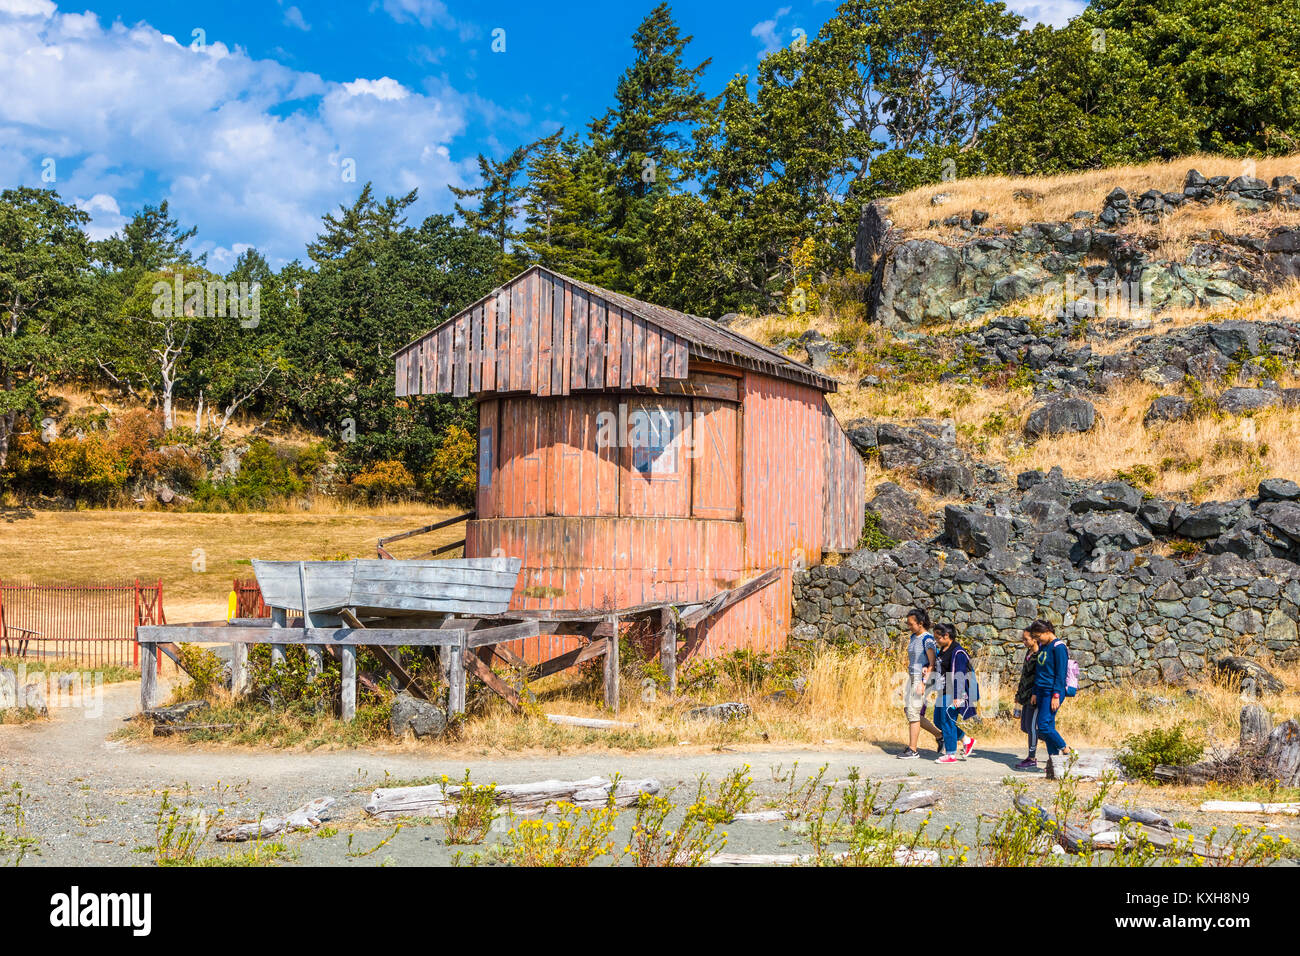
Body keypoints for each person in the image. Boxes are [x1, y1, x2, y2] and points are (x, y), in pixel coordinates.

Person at [898, 608, 943, 759]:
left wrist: (923, 683)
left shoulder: (928, 640)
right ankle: (939, 735)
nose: (909, 626)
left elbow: (931, 664)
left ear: (920, 623)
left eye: (911, 624)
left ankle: (913, 749)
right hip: (912, 676)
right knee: (909, 710)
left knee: (913, 711)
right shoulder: (913, 637)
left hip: (922, 679)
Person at [932, 623, 977, 763]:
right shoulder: (943, 650)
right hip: (943, 690)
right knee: (938, 721)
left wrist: (958, 696)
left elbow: (960, 675)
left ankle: (951, 754)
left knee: (947, 721)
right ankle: (966, 739)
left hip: (953, 692)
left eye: (938, 638)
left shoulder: (958, 652)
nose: (936, 641)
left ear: (947, 636)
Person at [1029, 619, 1072, 764]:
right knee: (1049, 726)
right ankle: (1053, 761)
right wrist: (1035, 691)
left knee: (1043, 726)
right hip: (1040, 691)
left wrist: (1056, 695)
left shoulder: (1058, 647)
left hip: (1051, 692)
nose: (1036, 639)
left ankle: (1066, 749)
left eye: (1038, 636)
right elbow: (1039, 671)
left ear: (1047, 632)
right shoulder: (1043, 646)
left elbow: (1061, 674)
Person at [1013, 628, 1040, 771]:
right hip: (1024, 695)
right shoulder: (1028, 653)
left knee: (1031, 728)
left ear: (1034, 639)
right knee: (1025, 727)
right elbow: (1024, 676)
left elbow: (1039, 678)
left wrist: (1035, 693)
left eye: (1026, 639)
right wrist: (1018, 694)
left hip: (1033, 696)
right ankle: (1052, 739)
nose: (1023, 641)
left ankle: (1032, 757)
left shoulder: (1039, 655)